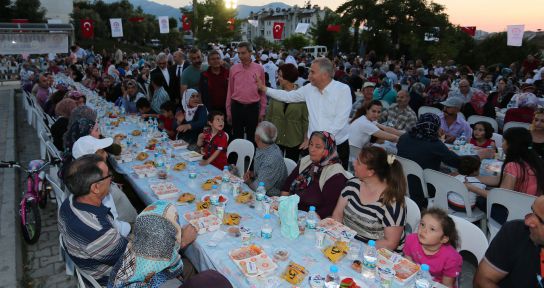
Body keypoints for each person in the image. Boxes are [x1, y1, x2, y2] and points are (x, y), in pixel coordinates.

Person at [257, 57, 352, 169]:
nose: (308, 75)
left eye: (312, 72)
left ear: (325, 75)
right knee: (311, 181)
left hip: (336, 147)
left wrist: (320, 142)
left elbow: (340, 121)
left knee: (335, 183)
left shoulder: (342, 90)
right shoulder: (309, 89)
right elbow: (288, 96)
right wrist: (264, 88)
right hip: (314, 146)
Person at [107, 200, 214, 287]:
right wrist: (183, 241)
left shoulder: (129, 254)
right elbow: (172, 264)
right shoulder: (168, 284)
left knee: (189, 267)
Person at [58, 155, 128, 285]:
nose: (111, 179)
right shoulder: (98, 231)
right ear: (95, 188)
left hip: (93, 263)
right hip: (112, 280)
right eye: (109, 175)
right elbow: (135, 260)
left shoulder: (69, 203)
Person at [331, 147, 406, 252]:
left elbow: (390, 243)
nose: (354, 163)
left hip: (376, 254)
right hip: (348, 245)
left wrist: (358, 248)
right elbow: (337, 215)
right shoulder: (352, 185)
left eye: (359, 162)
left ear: (371, 172)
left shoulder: (392, 203)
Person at [71, 136, 137, 235]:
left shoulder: (82, 182)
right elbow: (115, 227)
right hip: (128, 228)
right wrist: (132, 227)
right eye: (102, 151)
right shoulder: (100, 190)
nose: (106, 154)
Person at [474, 196, 544, 288]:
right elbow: (482, 281)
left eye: (539, 220)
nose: (527, 222)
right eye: (532, 211)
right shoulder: (515, 232)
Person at [397, 113, 460, 208]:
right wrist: (478, 157)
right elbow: (456, 161)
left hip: (401, 181)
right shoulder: (434, 144)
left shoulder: (404, 137)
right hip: (424, 188)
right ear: (436, 127)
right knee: (453, 174)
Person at [281, 131, 348, 219]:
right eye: (311, 144)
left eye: (318, 146)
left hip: (313, 220)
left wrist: (304, 220)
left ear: (328, 150)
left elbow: (329, 208)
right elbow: (286, 186)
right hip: (292, 212)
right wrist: (282, 207)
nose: (312, 149)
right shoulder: (307, 160)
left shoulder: (336, 173)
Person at [474, 127, 544, 197]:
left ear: (511, 144)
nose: (502, 145)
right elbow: (500, 179)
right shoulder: (536, 161)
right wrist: (474, 178)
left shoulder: (513, 166)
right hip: (532, 204)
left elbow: (501, 197)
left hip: (517, 206)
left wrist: (470, 187)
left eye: (504, 141)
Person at [403, 208, 462, 287]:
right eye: (422, 224)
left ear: (444, 239)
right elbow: (407, 267)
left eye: (432, 229)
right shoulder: (411, 240)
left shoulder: (452, 258)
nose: (423, 230)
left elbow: (446, 285)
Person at [265, 63, 308, 162]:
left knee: (291, 169)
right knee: (275, 167)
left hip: (294, 139)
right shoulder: (275, 93)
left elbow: (305, 120)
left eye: (280, 75)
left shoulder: (302, 95)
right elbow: (269, 116)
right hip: (276, 138)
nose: (278, 78)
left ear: (288, 77)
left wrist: (306, 138)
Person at [226, 42, 267, 142]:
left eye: (243, 53)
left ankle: (251, 158)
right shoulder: (233, 69)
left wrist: (262, 111)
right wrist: (228, 111)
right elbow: (230, 91)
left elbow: (263, 91)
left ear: (250, 53)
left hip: (253, 108)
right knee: (237, 137)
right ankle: (237, 158)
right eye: (238, 53)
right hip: (237, 107)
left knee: (252, 137)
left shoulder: (259, 68)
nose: (240, 56)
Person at [243, 121, 288, 196]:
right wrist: (253, 174)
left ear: (258, 137)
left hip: (270, 196)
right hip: (262, 187)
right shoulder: (267, 147)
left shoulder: (271, 159)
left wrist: (248, 181)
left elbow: (258, 188)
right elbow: (264, 170)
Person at [199, 50, 229, 115]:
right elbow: (200, 92)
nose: (216, 61)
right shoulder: (204, 75)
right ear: (209, 62)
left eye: (218, 58)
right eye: (213, 59)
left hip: (226, 108)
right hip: (210, 109)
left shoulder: (227, 73)